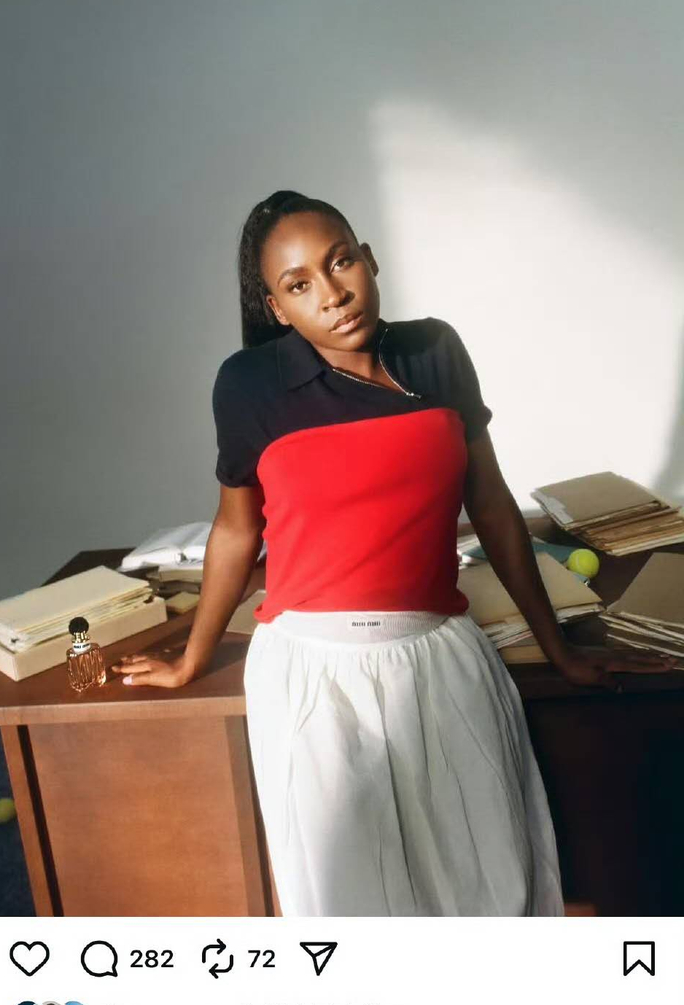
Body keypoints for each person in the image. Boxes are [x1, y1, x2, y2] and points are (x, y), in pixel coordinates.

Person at [111, 189, 676, 916]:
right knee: (353, 912)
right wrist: (193, 657)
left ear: (369, 259)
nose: (332, 294)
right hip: (311, 675)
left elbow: (492, 506)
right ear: (276, 308)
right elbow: (236, 531)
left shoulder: (435, 351)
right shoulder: (248, 385)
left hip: (440, 656)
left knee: (494, 891)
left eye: (340, 261)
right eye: (299, 285)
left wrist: (558, 649)